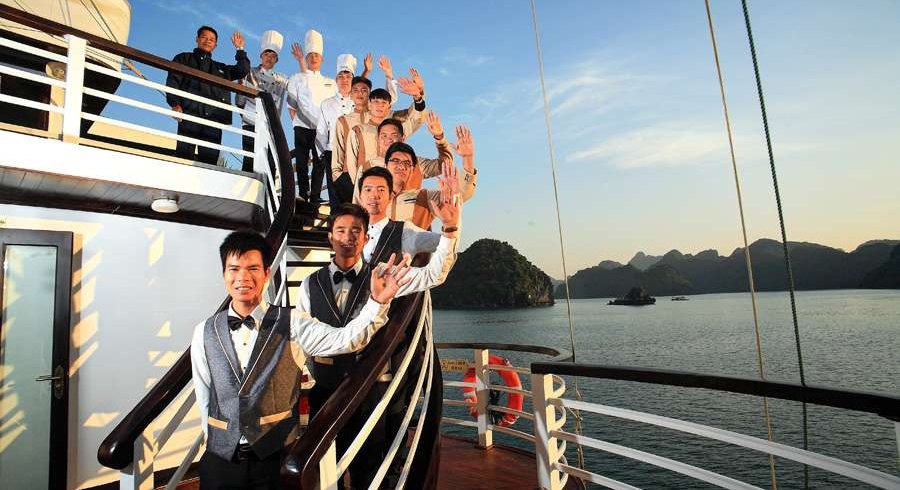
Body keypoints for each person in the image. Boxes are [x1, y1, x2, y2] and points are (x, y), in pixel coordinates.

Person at [190, 229, 410, 489]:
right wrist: (217, 442)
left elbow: (345, 340)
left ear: (266, 273)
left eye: (252, 268)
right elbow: (204, 395)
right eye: (234, 269)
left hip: (275, 460)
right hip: (220, 462)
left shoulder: (293, 323)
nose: (243, 277)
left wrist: (377, 302)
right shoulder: (204, 331)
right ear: (224, 274)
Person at [296, 202, 458, 488]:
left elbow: (433, 275)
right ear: (330, 237)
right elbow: (306, 339)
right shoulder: (309, 284)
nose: (348, 237)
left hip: (369, 391)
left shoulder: (385, 274)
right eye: (341, 230)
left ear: (366, 237)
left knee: (369, 469)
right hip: (326, 392)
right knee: (326, 471)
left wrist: (449, 230)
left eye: (355, 231)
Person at [166, 26, 250, 165]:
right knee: (183, 158)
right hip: (189, 114)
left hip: (213, 119)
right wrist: (175, 103)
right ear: (197, 39)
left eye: (212, 39)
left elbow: (242, 70)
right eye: (204, 37)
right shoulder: (183, 58)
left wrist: (240, 49)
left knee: (209, 162)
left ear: (215, 45)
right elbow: (172, 82)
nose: (207, 41)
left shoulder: (220, 68)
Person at [384, 124, 478, 228]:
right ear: (385, 165)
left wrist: (468, 159)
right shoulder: (374, 195)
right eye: (395, 161)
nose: (401, 166)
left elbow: (460, 195)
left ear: (413, 169)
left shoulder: (424, 197)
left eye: (407, 163)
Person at [286, 30, 335, 202]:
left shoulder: (330, 82)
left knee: (320, 163)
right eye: (310, 55)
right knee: (301, 162)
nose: (314, 58)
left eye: (316, 55)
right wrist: (297, 122)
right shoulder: (296, 78)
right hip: (301, 127)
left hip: (321, 129)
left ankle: (315, 196)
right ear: (306, 58)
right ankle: (302, 193)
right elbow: (291, 105)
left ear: (322, 59)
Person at [235, 30, 290, 172]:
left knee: (271, 163)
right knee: (249, 159)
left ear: (277, 60)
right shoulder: (249, 72)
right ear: (261, 56)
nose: (269, 58)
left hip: (271, 125)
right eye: (266, 54)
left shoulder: (282, 79)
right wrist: (244, 114)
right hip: (250, 121)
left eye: (273, 56)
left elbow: (294, 90)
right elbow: (239, 99)